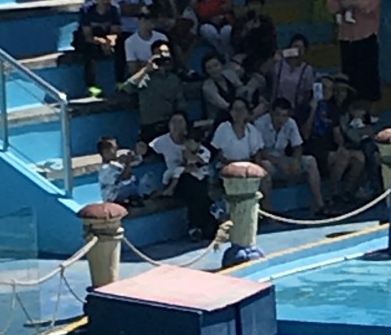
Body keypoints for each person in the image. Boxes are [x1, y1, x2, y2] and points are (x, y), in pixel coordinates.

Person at [148, 112, 217, 242]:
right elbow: (147, 150)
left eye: (180, 122)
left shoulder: (196, 144)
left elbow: (203, 161)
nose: (177, 126)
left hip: (195, 179)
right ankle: (209, 219)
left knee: (197, 188)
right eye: (173, 122)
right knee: (193, 186)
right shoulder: (161, 141)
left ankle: (196, 227)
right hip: (176, 178)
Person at [254, 97, 326, 215]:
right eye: (278, 115)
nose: (281, 119)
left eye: (284, 115)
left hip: (284, 159)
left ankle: (319, 202)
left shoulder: (290, 123)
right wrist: (279, 162)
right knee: (265, 166)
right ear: (271, 113)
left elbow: (297, 146)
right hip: (268, 160)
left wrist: (295, 161)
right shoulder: (260, 124)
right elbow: (259, 151)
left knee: (310, 161)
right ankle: (268, 209)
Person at [326, 0, 381, 105]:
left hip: (366, 36)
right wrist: (341, 3)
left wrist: (353, 3)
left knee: (368, 76)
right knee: (349, 75)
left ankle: (368, 112)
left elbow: (371, 7)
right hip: (346, 37)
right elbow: (332, 4)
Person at [122, 39, 187, 141]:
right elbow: (127, 88)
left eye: (165, 52)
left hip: (169, 126)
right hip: (150, 126)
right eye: (158, 53)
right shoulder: (145, 76)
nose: (162, 55)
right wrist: (146, 70)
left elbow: (180, 103)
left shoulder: (174, 79)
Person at [211, 97, 271, 200]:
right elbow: (220, 155)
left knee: (265, 174)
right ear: (230, 112)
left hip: (249, 167)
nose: (239, 113)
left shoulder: (251, 130)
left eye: (242, 110)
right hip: (227, 167)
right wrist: (237, 164)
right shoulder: (223, 128)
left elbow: (257, 153)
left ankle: (266, 206)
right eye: (235, 109)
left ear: (247, 112)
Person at [73, 0, 124, 97]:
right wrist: (102, 42)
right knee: (90, 51)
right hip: (88, 39)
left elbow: (115, 31)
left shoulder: (115, 9)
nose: (106, 2)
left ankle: (120, 81)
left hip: (106, 37)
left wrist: (111, 41)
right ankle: (91, 86)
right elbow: (87, 35)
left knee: (122, 47)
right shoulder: (87, 10)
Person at [231, 0, 277, 73]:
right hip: (245, 56)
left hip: (264, 56)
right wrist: (246, 30)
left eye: (257, 4)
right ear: (247, 6)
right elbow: (235, 42)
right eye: (252, 4)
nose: (254, 7)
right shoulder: (240, 21)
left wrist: (261, 28)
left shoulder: (267, 21)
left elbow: (272, 43)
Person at [271, 34, 314, 113]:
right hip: (276, 106)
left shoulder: (307, 69)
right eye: (295, 46)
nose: (298, 50)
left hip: (296, 108)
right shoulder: (279, 64)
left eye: (301, 48)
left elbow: (308, 92)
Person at [97, 135, 145, 203]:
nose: (116, 151)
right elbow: (124, 178)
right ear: (106, 152)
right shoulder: (105, 170)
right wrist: (127, 162)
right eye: (114, 149)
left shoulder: (115, 163)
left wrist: (135, 154)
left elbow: (137, 161)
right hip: (114, 200)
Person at [201, 52, 243, 123]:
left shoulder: (230, 74)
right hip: (219, 119)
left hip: (239, 112)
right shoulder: (207, 87)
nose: (214, 70)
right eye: (209, 68)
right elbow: (223, 105)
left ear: (221, 64)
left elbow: (241, 89)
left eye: (216, 65)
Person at [124, 10, 167, 74]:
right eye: (147, 19)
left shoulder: (162, 37)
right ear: (140, 20)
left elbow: (167, 63)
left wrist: (142, 63)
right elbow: (132, 68)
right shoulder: (129, 42)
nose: (152, 22)